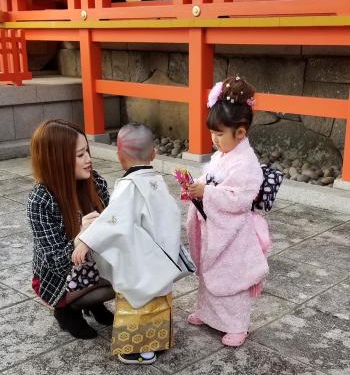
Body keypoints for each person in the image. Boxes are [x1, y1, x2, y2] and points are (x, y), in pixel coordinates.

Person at [72, 123, 181, 364]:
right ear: (153, 154)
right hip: (161, 257)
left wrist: (86, 241)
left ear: (120, 156)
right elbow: (170, 215)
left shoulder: (129, 186)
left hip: (140, 261)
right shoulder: (157, 181)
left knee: (137, 302)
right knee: (158, 301)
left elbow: (113, 220)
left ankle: (136, 350)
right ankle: (157, 343)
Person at [186, 76, 271, 347]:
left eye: (219, 134)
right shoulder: (221, 156)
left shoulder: (247, 163)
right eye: (212, 133)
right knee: (209, 273)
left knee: (230, 278)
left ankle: (237, 325)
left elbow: (239, 199)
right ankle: (207, 313)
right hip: (216, 227)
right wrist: (195, 187)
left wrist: (207, 193)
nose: (214, 140)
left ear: (241, 133)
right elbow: (209, 178)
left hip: (233, 233)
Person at [27, 119, 115, 340]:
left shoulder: (95, 182)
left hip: (93, 264)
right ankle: (66, 310)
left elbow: (114, 226)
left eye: (87, 151)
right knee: (118, 283)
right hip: (59, 277)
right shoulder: (40, 200)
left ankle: (93, 304)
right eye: (79, 155)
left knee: (133, 275)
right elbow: (55, 262)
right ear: (57, 160)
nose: (88, 160)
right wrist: (80, 237)